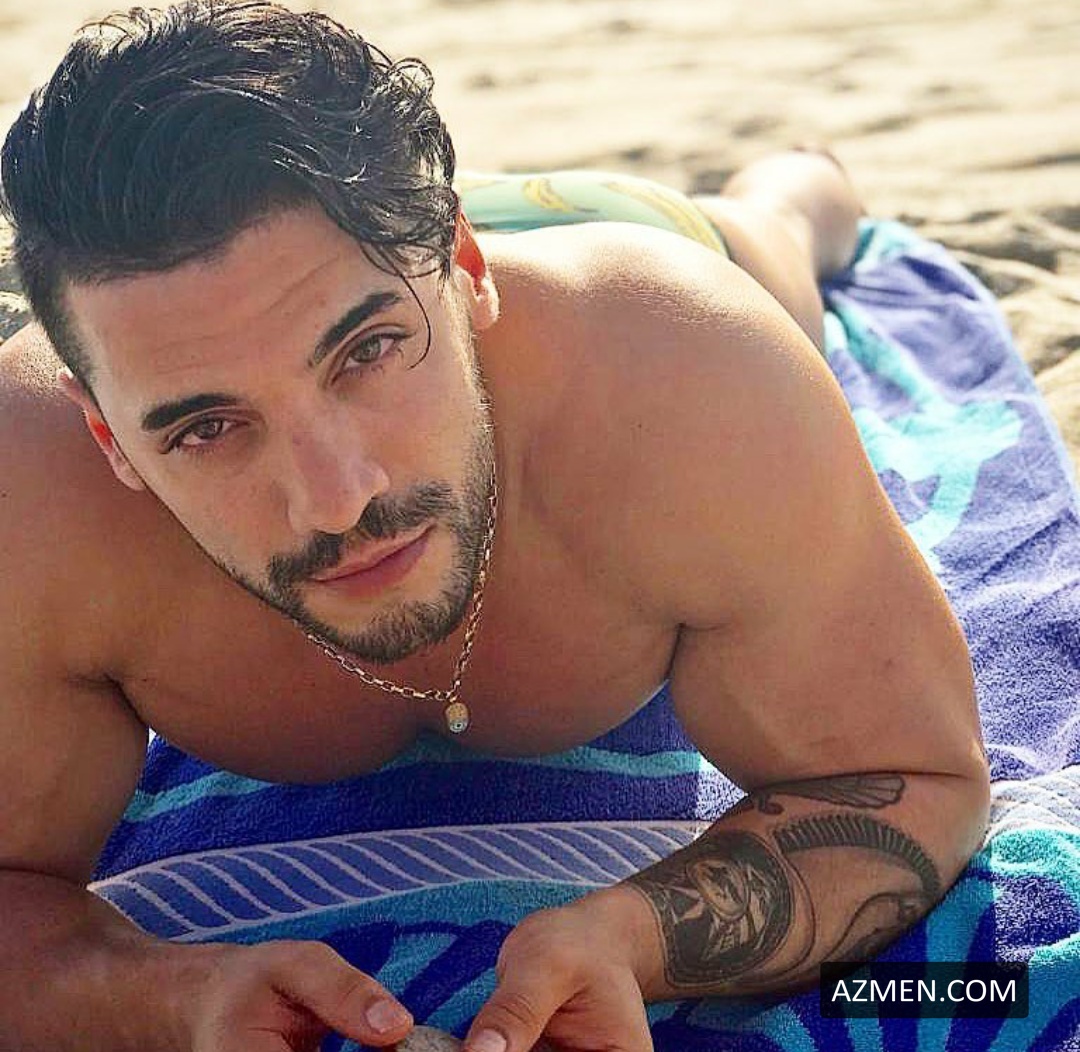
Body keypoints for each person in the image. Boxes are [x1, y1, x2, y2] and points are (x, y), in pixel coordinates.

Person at [0, 2, 990, 1050]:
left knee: (777, 239)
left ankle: (792, 183)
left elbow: (920, 778)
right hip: (383, 238)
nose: (337, 500)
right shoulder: (34, 499)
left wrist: (637, 937)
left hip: (610, 237)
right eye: (207, 428)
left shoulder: (684, 379)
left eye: (368, 352)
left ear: (467, 269)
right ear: (108, 435)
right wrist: (171, 996)